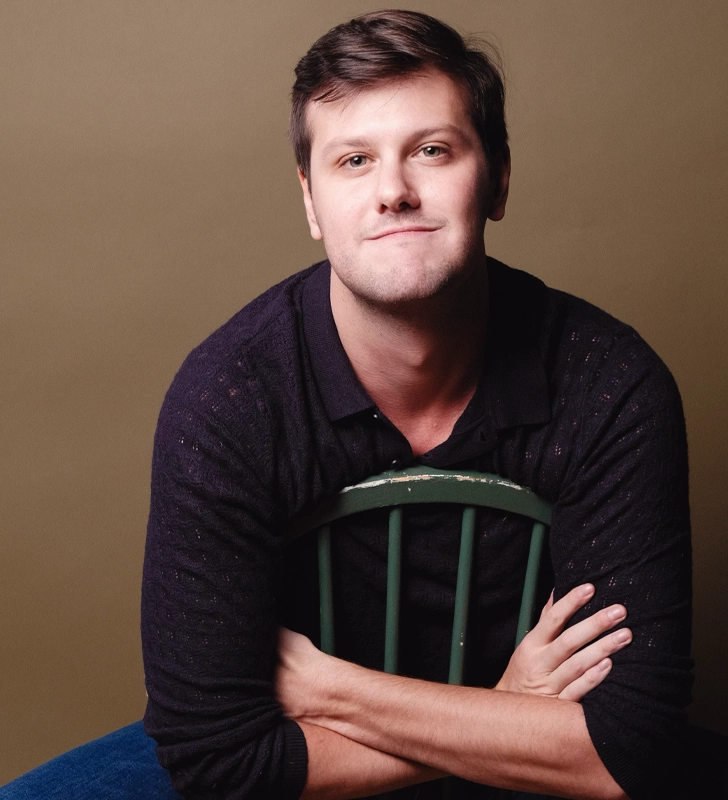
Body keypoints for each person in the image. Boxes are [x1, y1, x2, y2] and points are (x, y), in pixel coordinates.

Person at [139, 11, 691, 800]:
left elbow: (627, 752)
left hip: (392, 748)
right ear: (311, 202)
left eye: (433, 151)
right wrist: (507, 715)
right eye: (354, 160)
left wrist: (333, 690)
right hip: (342, 772)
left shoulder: (609, 384)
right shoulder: (229, 398)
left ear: (497, 177)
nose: (394, 191)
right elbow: (217, 760)